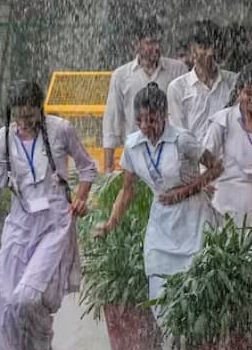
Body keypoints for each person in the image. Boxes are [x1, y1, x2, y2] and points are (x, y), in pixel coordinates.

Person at [0, 80, 97, 350]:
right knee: (8, 301)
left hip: (54, 222)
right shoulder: (3, 138)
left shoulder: (60, 130)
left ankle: (43, 340)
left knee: (30, 295)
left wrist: (80, 198)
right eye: (18, 118)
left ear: (41, 109)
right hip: (19, 223)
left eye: (30, 116)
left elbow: (88, 168)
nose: (24, 123)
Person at [96, 83, 222, 323]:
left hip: (193, 218)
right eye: (140, 121)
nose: (146, 127)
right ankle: (169, 349)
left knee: (193, 291)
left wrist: (185, 191)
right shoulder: (133, 146)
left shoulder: (182, 140)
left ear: (164, 115)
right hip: (161, 223)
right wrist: (110, 223)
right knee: (158, 291)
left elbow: (217, 167)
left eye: (152, 120)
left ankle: (190, 347)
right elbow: (127, 191)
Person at [102, 17, 188, 173]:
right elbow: (112, 120)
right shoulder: (121, 76)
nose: (156, 48)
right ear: (137, 44)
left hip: (170, 154)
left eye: (158, 42)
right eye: (150, 43)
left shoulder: (178, 71)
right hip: (135, 155)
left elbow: (186, 114)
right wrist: (108, 168)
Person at [167, 20, 238, 141]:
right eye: (204, 48)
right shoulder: (178, 88)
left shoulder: (233, 82)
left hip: (229, 158)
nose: (210, 53)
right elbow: (179, 135)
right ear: (192, 50)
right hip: (192, 158)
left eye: (213, 47)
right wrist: (202, 156)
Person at [203, 64, 252, 226]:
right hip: (225, 206)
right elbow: (204, 159)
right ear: (239, 92)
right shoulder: (222, 121)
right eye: (249, 93)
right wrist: (205, 181)